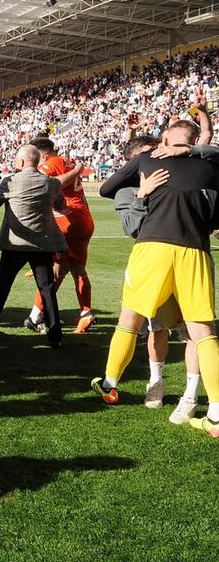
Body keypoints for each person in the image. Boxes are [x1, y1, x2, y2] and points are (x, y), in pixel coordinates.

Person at [95, 118, 219, 438]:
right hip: (196, 249)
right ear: (194, 142)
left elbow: (107, 188)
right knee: (202, 330)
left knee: (130, 319)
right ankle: (216, 413)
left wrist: (143, 189)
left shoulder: (146, 159)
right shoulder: (211, 167)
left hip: (152, 246)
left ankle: (110, 384)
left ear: (165, 138)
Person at [110, 132, 201, 423]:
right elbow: (132, 229)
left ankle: (191, 395)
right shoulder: (127, 192)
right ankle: (156, 382)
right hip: (152, 265)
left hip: (187, 259)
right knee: (157, 329)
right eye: (153, 154)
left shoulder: (180, 178)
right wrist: (142, 194)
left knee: (194, 332)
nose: (162, 157)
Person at [0, 144, 65, 348]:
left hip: (15, 244)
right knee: (47, 289)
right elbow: (61, 205)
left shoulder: (10, 181)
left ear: (22, 161)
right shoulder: (50, 183)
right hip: (42, 244)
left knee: (3, 286)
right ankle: (55, 335)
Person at [22, 137, 96, 334]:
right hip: (83, 218)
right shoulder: (66, 160)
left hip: (67, 219)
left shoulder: (51, 164)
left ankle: (36, 316)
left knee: (54, 269)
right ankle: (85, 312)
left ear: (42, 154)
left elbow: (49, 185)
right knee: (75, 269)